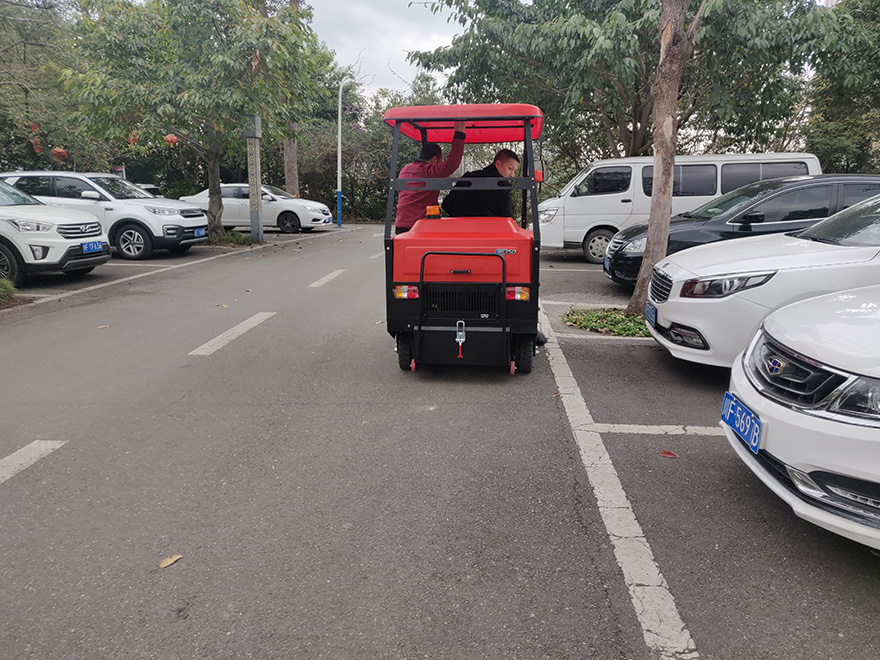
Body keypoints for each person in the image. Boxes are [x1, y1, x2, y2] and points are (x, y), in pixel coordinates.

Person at [395, 120, 466, 233]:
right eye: (440, 161)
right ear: (434, 159)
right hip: (420, 227)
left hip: (400, 226)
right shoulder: (428, 172)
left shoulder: (404, 170)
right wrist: (459, 134)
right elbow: (451, 165)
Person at [441, 149, 520, 218]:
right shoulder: (501, 186)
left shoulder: (468, 177)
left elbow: (447, 205)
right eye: (510, 168)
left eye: (515, 171)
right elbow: (506, 219)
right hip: (488, 229)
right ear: (498, 164)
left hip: (459, 228)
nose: (512, 175)